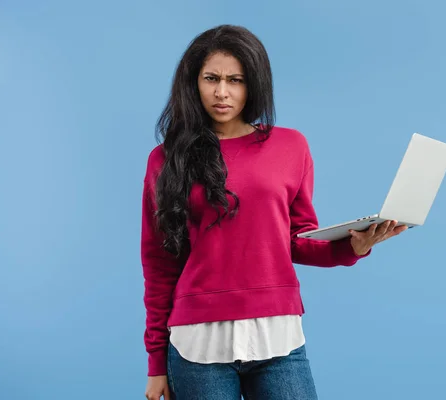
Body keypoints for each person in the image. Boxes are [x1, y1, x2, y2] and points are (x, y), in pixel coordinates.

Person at [142, 24, 408, 400]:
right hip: (196, 344)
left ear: (254, 84)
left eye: (236, 80)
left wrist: (356, 246)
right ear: (193, 82)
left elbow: (298, 241)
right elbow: (158, 262)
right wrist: (156, 363)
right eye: (211, 78)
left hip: (278, 338)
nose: (222, 92)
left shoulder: (290, 146)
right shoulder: (166, 159)